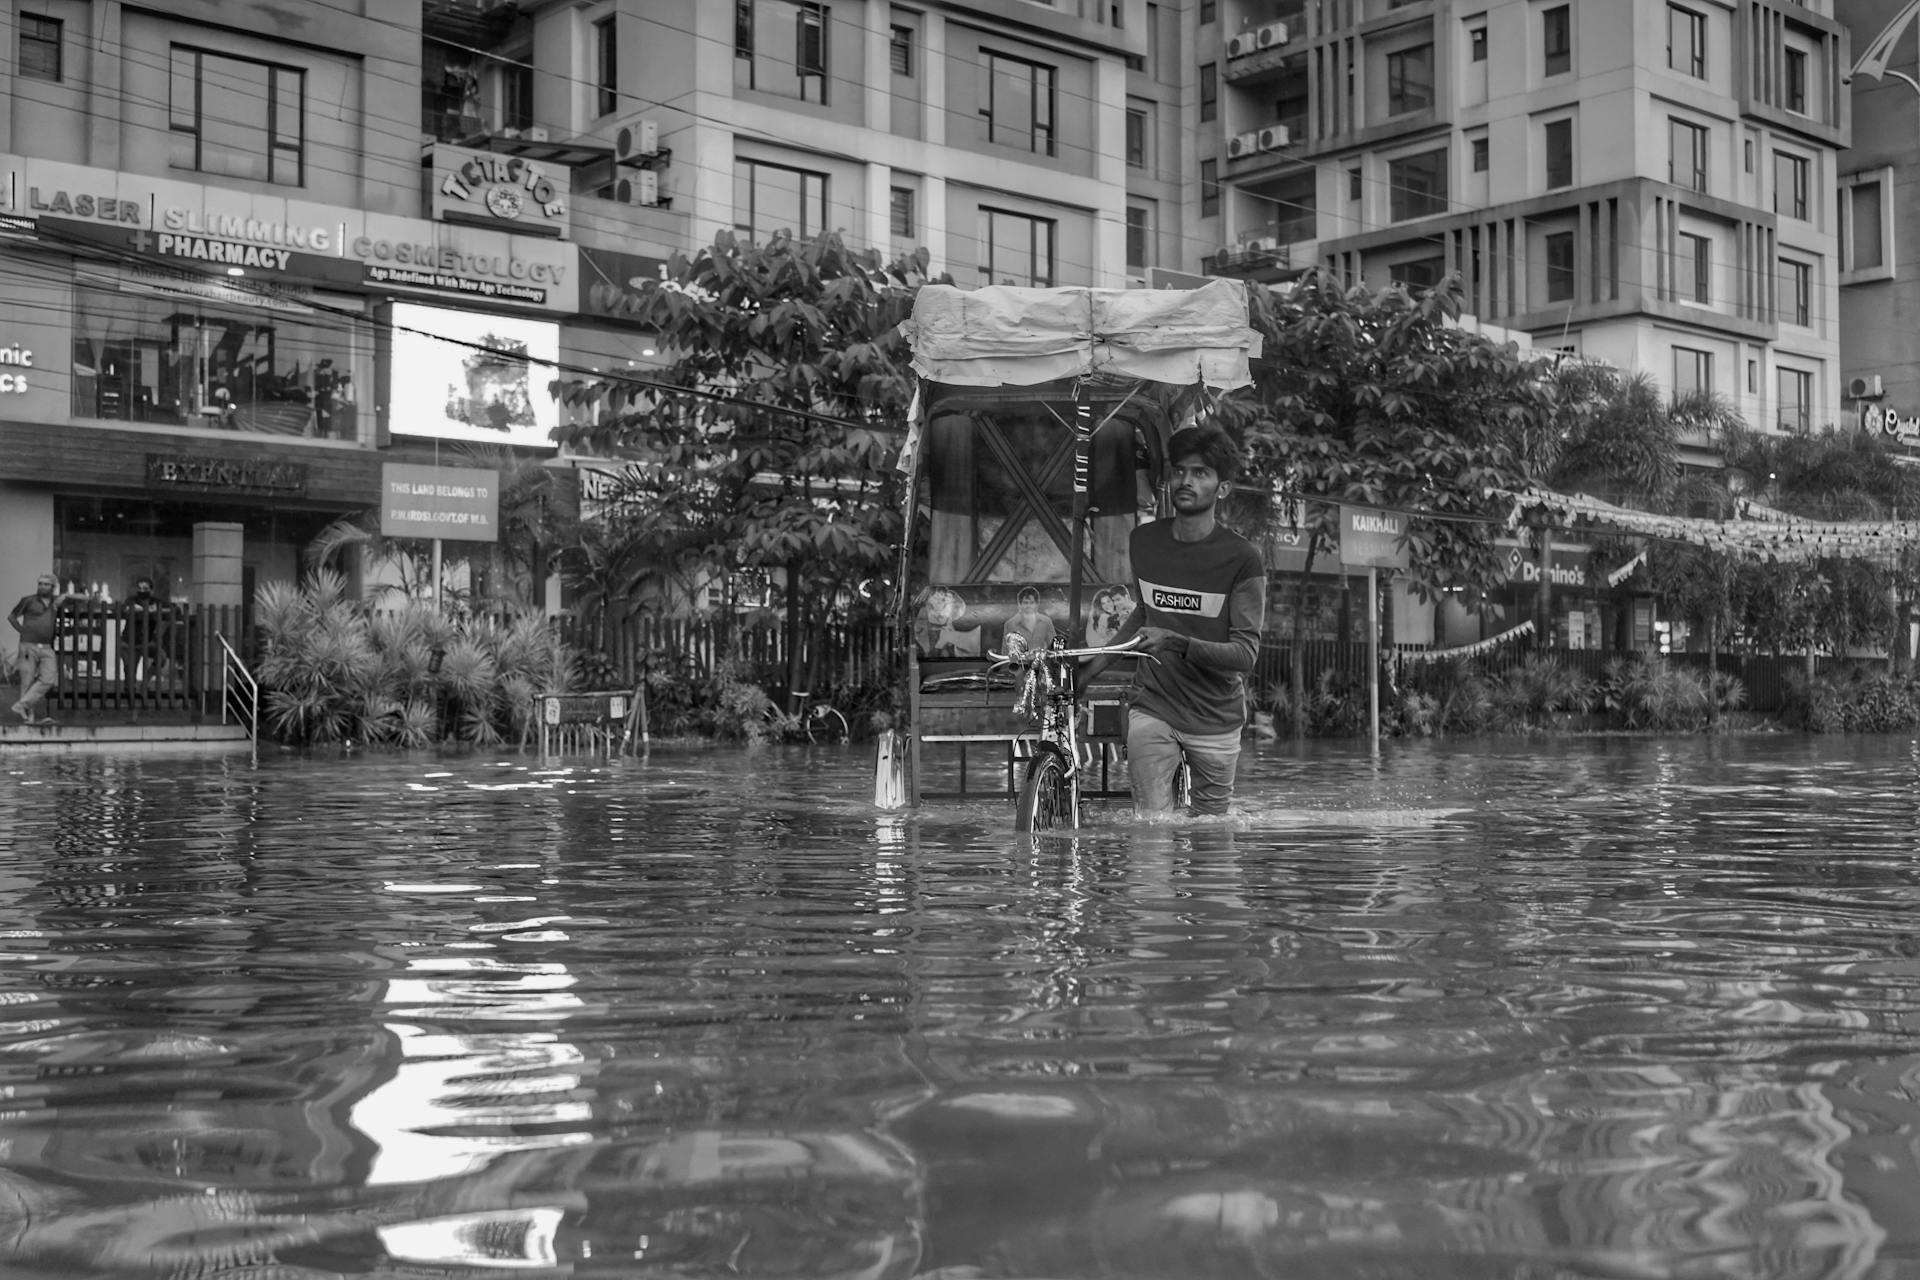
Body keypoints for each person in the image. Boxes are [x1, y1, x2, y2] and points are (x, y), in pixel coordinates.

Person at [1084, 424, 1266, 818]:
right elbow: (1144, 613)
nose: (1187, 481)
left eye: (1201, 473)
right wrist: (1091, 670)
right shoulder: (1143, 542)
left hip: (1215, 716)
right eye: (1181, 470)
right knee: (1150, 830)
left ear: (1223, 488)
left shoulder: (1243, 558)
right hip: (1154, 705)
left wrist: (1177, 642)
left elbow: (1245, 655)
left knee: (1212, 844)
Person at [9, 574, 75, 724]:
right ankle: (28, 718)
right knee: (27, 680)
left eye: (46, 584)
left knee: (49, 678)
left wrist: (66, 594)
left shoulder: (55, 602)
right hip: (28, 645)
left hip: (46, 646)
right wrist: (22, 630)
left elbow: (84, 599)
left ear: (53, 587)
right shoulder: (28, 600)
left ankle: (21, 705)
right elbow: (12, 617)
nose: (42, 587)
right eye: (40, 584)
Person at [118, 578, 175, 697]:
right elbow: (124, 609)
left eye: (145, 588)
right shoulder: (132, 600)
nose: (141, 591)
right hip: (129, 641)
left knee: (161, 657)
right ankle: (130, 694)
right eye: (139, 588)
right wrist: (142, 610)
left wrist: (158, 610)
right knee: (130, 672)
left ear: (151, 590)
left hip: (146, 642)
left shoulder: (156, 602)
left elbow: (175, 610)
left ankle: (145, 681)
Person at [1001, 587, 1057, 655]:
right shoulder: (1010, 624)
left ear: (1037, 604)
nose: (1028, 606)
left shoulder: (1046, 622)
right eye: (1025, 603)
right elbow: (1005, 653)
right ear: (1020, 604)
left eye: (1032, 603)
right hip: (1020, 664)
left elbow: (1054, 648)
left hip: (1040, 663)